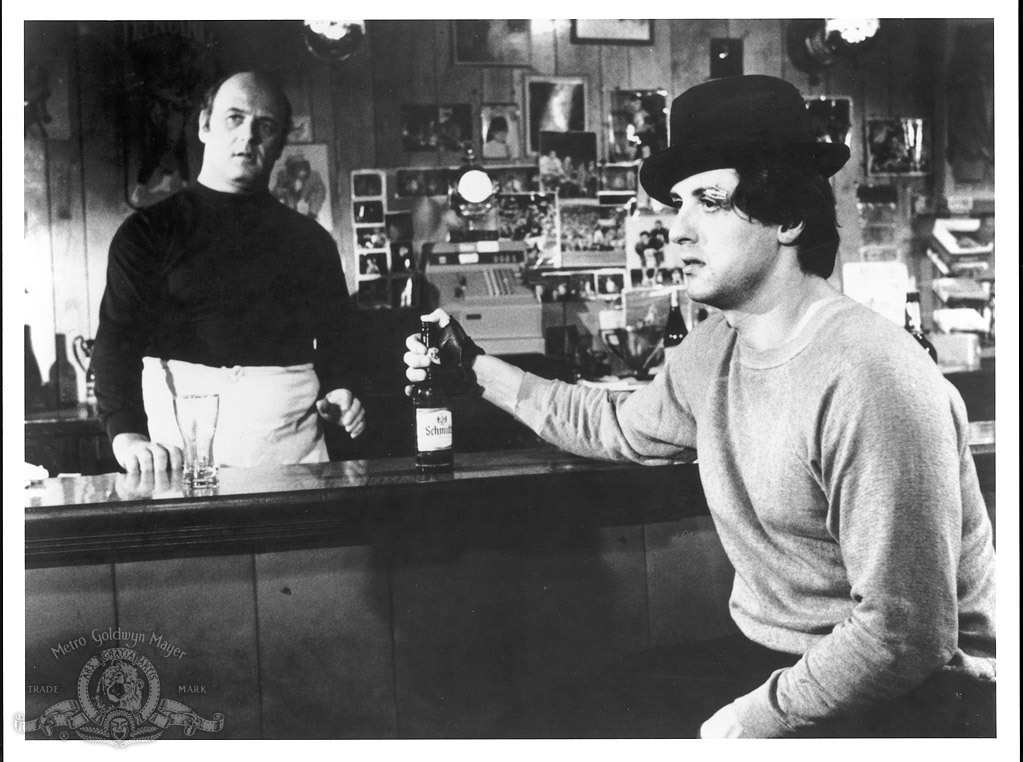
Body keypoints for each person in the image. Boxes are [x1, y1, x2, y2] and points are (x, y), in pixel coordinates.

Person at [403, 75, 996, 738]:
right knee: (537, 726)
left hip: (920, 697)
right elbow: (614, 425)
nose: (676, 231)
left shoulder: (873, 376)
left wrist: (748, 721)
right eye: (676, 204)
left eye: (708, 202)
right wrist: (473, 368)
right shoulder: (714, 348)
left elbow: (904, 635)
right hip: (778, 660)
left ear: (787, 217)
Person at [93, 71, 366, 473]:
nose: (248, 136)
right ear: (204, 126)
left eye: (265, 126)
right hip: (181, 457)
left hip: (293, 460)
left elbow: (337, 341)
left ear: (280, 144)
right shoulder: (146, 233)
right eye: (234, 118)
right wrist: (127, 436)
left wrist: (340, 390)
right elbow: (117, 341)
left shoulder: (311, 241)